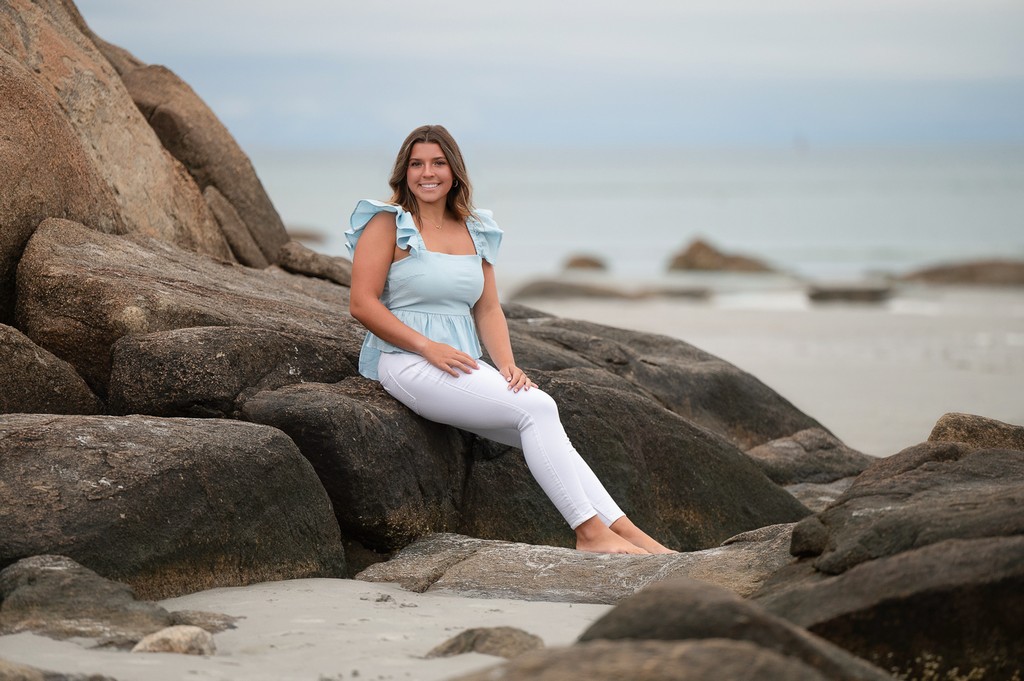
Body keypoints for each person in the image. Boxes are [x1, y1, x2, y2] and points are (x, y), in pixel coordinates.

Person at [346, 124, 674, 555]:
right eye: (417, 164)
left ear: (454, 171)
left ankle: (627, 532)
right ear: (404, 172)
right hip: (405, 360)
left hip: (462, 363)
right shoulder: (387, 223)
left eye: (438, 163)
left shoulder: (475, 228)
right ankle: (590, 534)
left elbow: (487, 308)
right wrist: (427, 347)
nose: (428, 173)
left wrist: (506, 365)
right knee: (538, 408)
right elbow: (362, 304)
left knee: (539, 419)